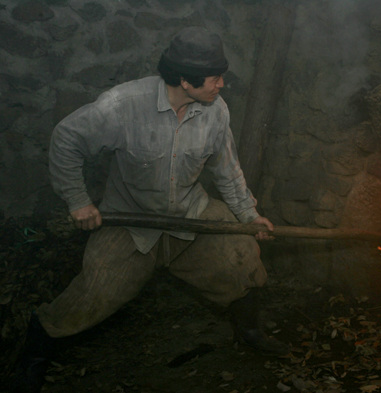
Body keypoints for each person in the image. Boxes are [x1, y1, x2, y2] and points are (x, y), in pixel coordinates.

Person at [10, 26, 288, 393]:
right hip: (131, 221)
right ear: (185, 81)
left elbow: (227, 169)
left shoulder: (215, 111)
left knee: (241, 255)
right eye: (215, 77)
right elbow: (67, 139)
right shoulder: (122, 106)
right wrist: (78, 201)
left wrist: (249, 216)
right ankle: (33, 354)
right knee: (95, 293)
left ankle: (249, 331)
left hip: (190, 215)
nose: (222, 83)